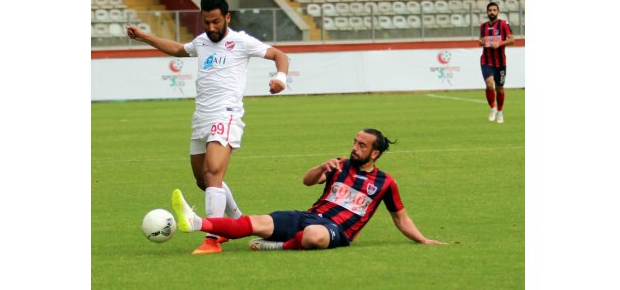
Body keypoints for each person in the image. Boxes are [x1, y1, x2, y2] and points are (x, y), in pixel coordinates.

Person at [126, 0, 289, 255]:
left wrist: (280, 79)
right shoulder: (201, 42)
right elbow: (179, 49)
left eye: (216, 22)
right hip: (201, 116)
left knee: (213, 173)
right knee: (204, 181)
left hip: (226, 114)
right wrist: (144, 37)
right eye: (206, 22)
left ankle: (212, 238)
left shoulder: (241, 41)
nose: (211, 28)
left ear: (227, 18)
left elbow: (279, 54)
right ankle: (235, 222)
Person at [172, 128, 446, 252]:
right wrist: (320, 168)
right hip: (307, 216)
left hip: (336, 232)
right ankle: (197, 222)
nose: (354, 147)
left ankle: (279, 247)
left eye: (362, 145)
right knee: (255, 221)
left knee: (314, 236)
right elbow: (306, 180)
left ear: (375, 153)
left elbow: (401, 217)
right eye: (354, 142)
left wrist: (421, 239)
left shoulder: (386, 183)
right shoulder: (339, 165)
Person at [478, 1, 514, 124]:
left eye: (494, 10)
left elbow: (512, 40)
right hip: (486, 61)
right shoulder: (483, 26)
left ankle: (500, 111)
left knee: (500, 89)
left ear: (497, 12)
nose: (492, 12)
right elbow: (482, 40)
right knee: (489, 84)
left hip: (500, 63)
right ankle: (492, 108)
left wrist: (500, 43)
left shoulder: (504, 24)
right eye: (490, 10)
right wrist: (481, 42)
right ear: (487, 12)